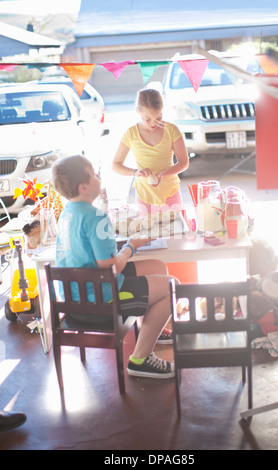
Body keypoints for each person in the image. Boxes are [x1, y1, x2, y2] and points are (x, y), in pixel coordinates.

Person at [52, 155, 178, 379]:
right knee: (172, 287)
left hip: (75, 297)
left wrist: (125, 247)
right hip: (100, 300)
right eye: (94, 175)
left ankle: (151, 331)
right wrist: (131, 246)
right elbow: (110, 269)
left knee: (157, 265)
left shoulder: (67, 213)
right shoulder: (97, 217)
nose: (99, 178)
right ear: (84, 186)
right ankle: (140, 359)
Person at [112, 88, 189, 216]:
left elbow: (183, 162)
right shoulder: (131, 133)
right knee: (148, 233)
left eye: (159, 117)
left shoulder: (171, 130)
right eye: (147, 119)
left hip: (170, 192)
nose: (154, 123)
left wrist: (163, 174)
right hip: (144, 196)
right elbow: (115, 165)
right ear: (137, 112)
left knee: (175, 231)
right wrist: (135, 172)